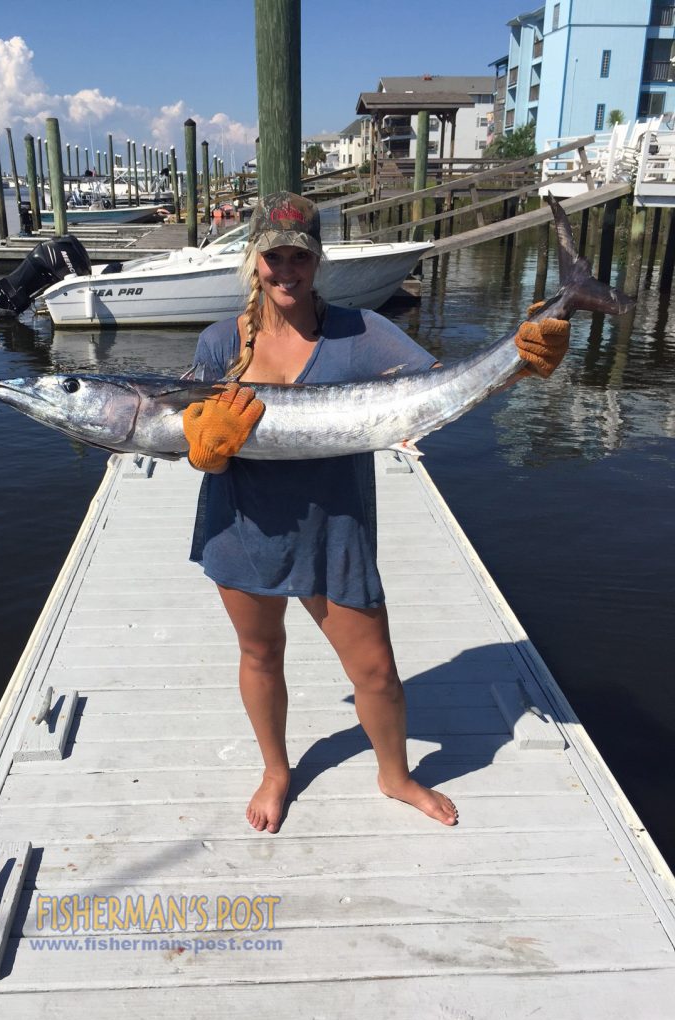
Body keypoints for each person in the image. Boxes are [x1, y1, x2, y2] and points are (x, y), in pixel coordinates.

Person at [182, 191, 569, 835]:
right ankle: (277, 770)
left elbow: (438, 389)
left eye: (299, 257)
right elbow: (200, 451)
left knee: (377, 671)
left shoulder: (363, 332)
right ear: (255, 261)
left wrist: (518, 366)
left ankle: (395, 773)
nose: (286, 270)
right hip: (242, 527)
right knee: (260, 653)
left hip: (335, 528)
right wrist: (209, 452)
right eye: (274, 256)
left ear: (318, 261)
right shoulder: (221, 344)